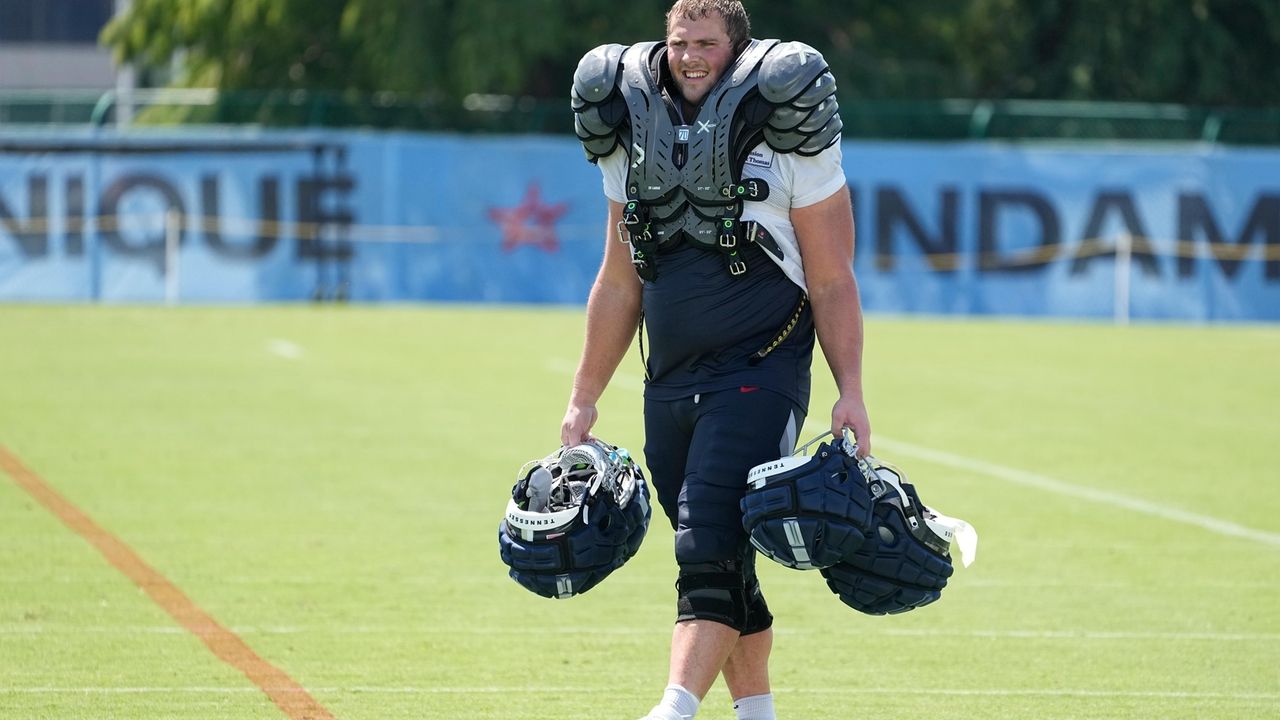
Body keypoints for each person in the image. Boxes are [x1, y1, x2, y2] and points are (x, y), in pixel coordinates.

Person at [562, 1, 870, 718]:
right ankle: (756, 713)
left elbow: (831, 278)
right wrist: (584, 395)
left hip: (760, 368)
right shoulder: (630, 125)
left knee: (707, 544)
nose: (691, 56)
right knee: (722, 557)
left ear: (737, 49)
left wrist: (849, 388)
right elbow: (618, 279)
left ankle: (673, 708)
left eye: (705, 43)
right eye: (679, 43)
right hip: (667, 375)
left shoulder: (787, 130)